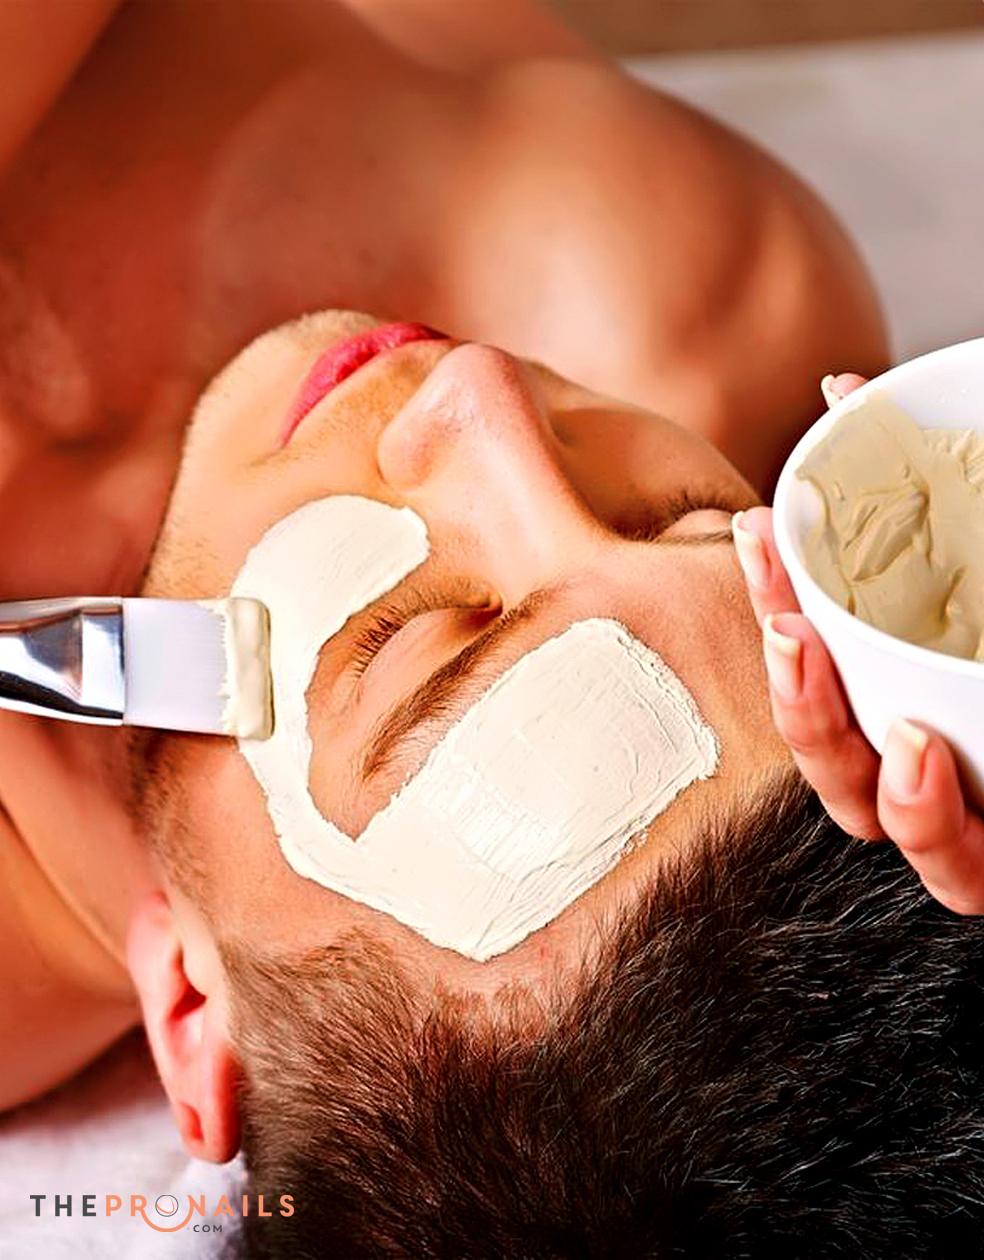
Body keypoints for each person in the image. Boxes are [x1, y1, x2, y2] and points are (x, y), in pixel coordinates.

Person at [13, 2, 984, 1256]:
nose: (483, 394)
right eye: (684, 522)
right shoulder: (675, 304)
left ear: (196, 1016)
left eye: (415, 640)